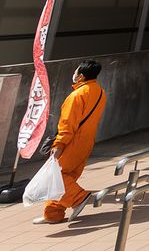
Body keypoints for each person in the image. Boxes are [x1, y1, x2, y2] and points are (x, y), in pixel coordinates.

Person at [34, 60, 105, 225]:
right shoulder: (100, 92)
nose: (74, 74)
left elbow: (67, 124)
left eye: (76, 72)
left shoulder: (76, 96)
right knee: (65, 177)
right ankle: (53, 214)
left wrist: (58, 145)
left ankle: (79, 198)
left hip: (72, 142)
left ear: (81, 76)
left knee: (56, 176)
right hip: (86, 141)